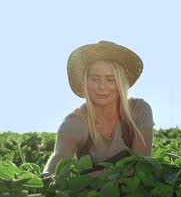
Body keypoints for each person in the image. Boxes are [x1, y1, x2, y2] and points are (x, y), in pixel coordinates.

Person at [40, 41, 154, 178]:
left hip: (133, 194)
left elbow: (141, 165)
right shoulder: (74, 124)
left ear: (120, 83)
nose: (102, 86)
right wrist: (49, 175)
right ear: (85, 82)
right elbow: (60, 157)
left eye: (110, 79)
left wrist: (88, 177)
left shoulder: (138, 110)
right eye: (94, 79)